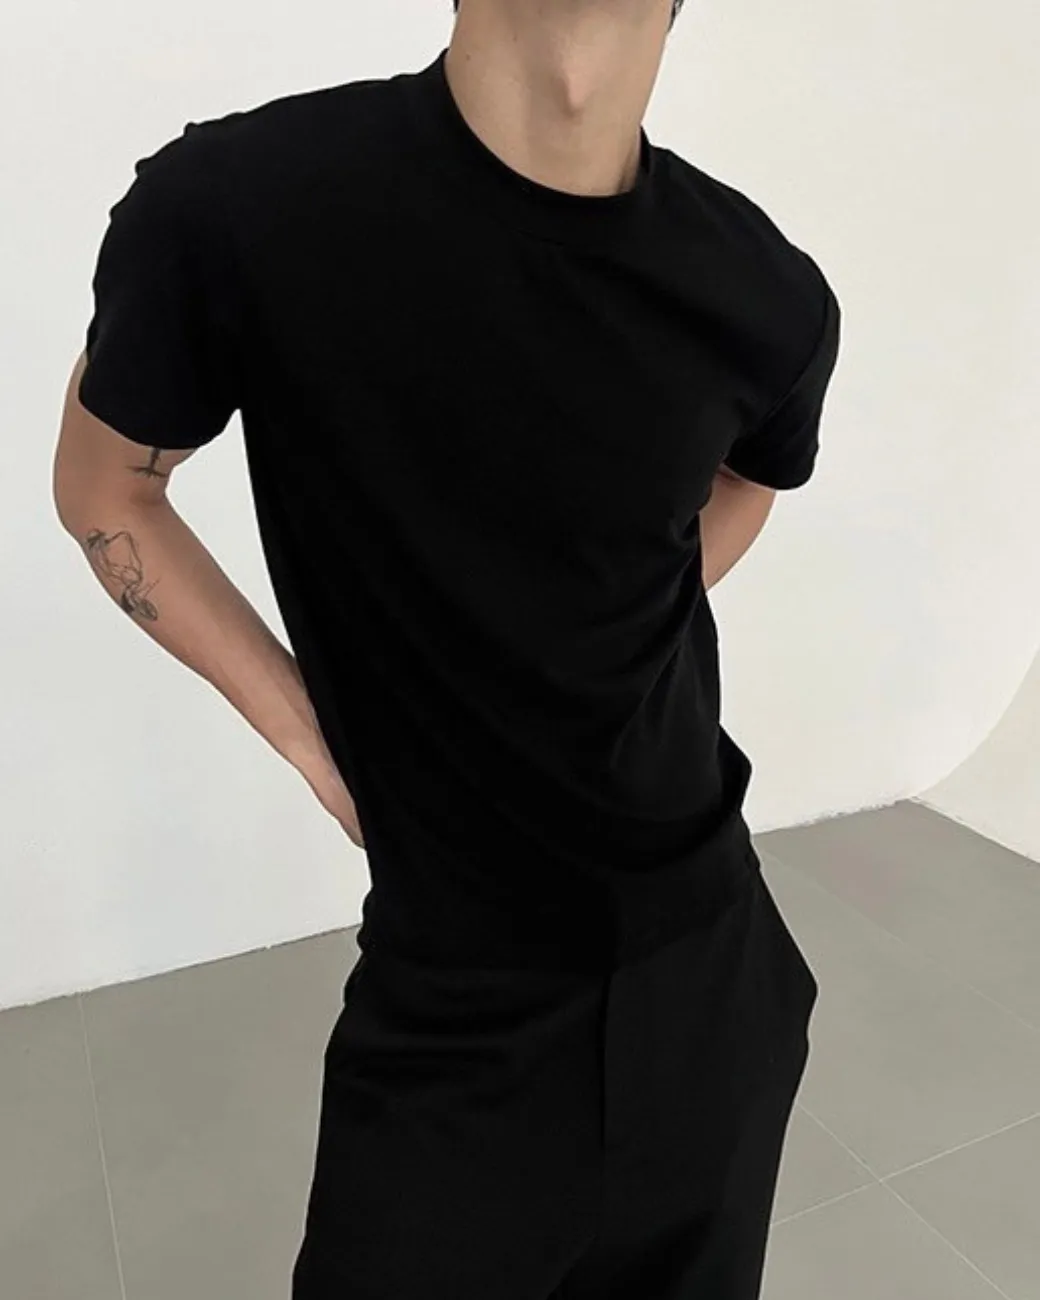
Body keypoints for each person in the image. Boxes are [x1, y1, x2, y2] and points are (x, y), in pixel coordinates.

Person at [52, 1, 841, 1295]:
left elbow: (754, 478)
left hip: (713, 968)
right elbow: (106, 489)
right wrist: (320, 740)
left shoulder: (764, 292)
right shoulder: (242, 208)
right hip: (455, 995)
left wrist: (597, 621)